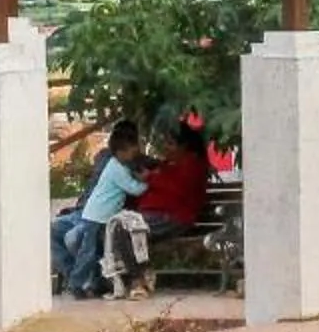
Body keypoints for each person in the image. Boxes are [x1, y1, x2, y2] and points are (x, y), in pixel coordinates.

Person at [51, 120, 149, 299]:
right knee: (87, 253)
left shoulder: (116, 165)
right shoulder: (116, 169)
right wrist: (146, 181)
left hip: (98, 216)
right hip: (96, 217)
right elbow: (133, 188)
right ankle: (76, 283)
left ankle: (87, 282)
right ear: (121, 152)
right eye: (131, 152)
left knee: (88, 250)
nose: (134, 156)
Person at [135, 111, 216, 240]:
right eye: (166, 143)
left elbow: (178, 188)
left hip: (172, 217)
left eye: (171, 144)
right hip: (156, 215)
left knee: (120, 229)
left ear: (184, 146)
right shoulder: (174, 164)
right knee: (113, 226)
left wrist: (150, 178)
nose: (166, 147)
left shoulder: (192, 164)